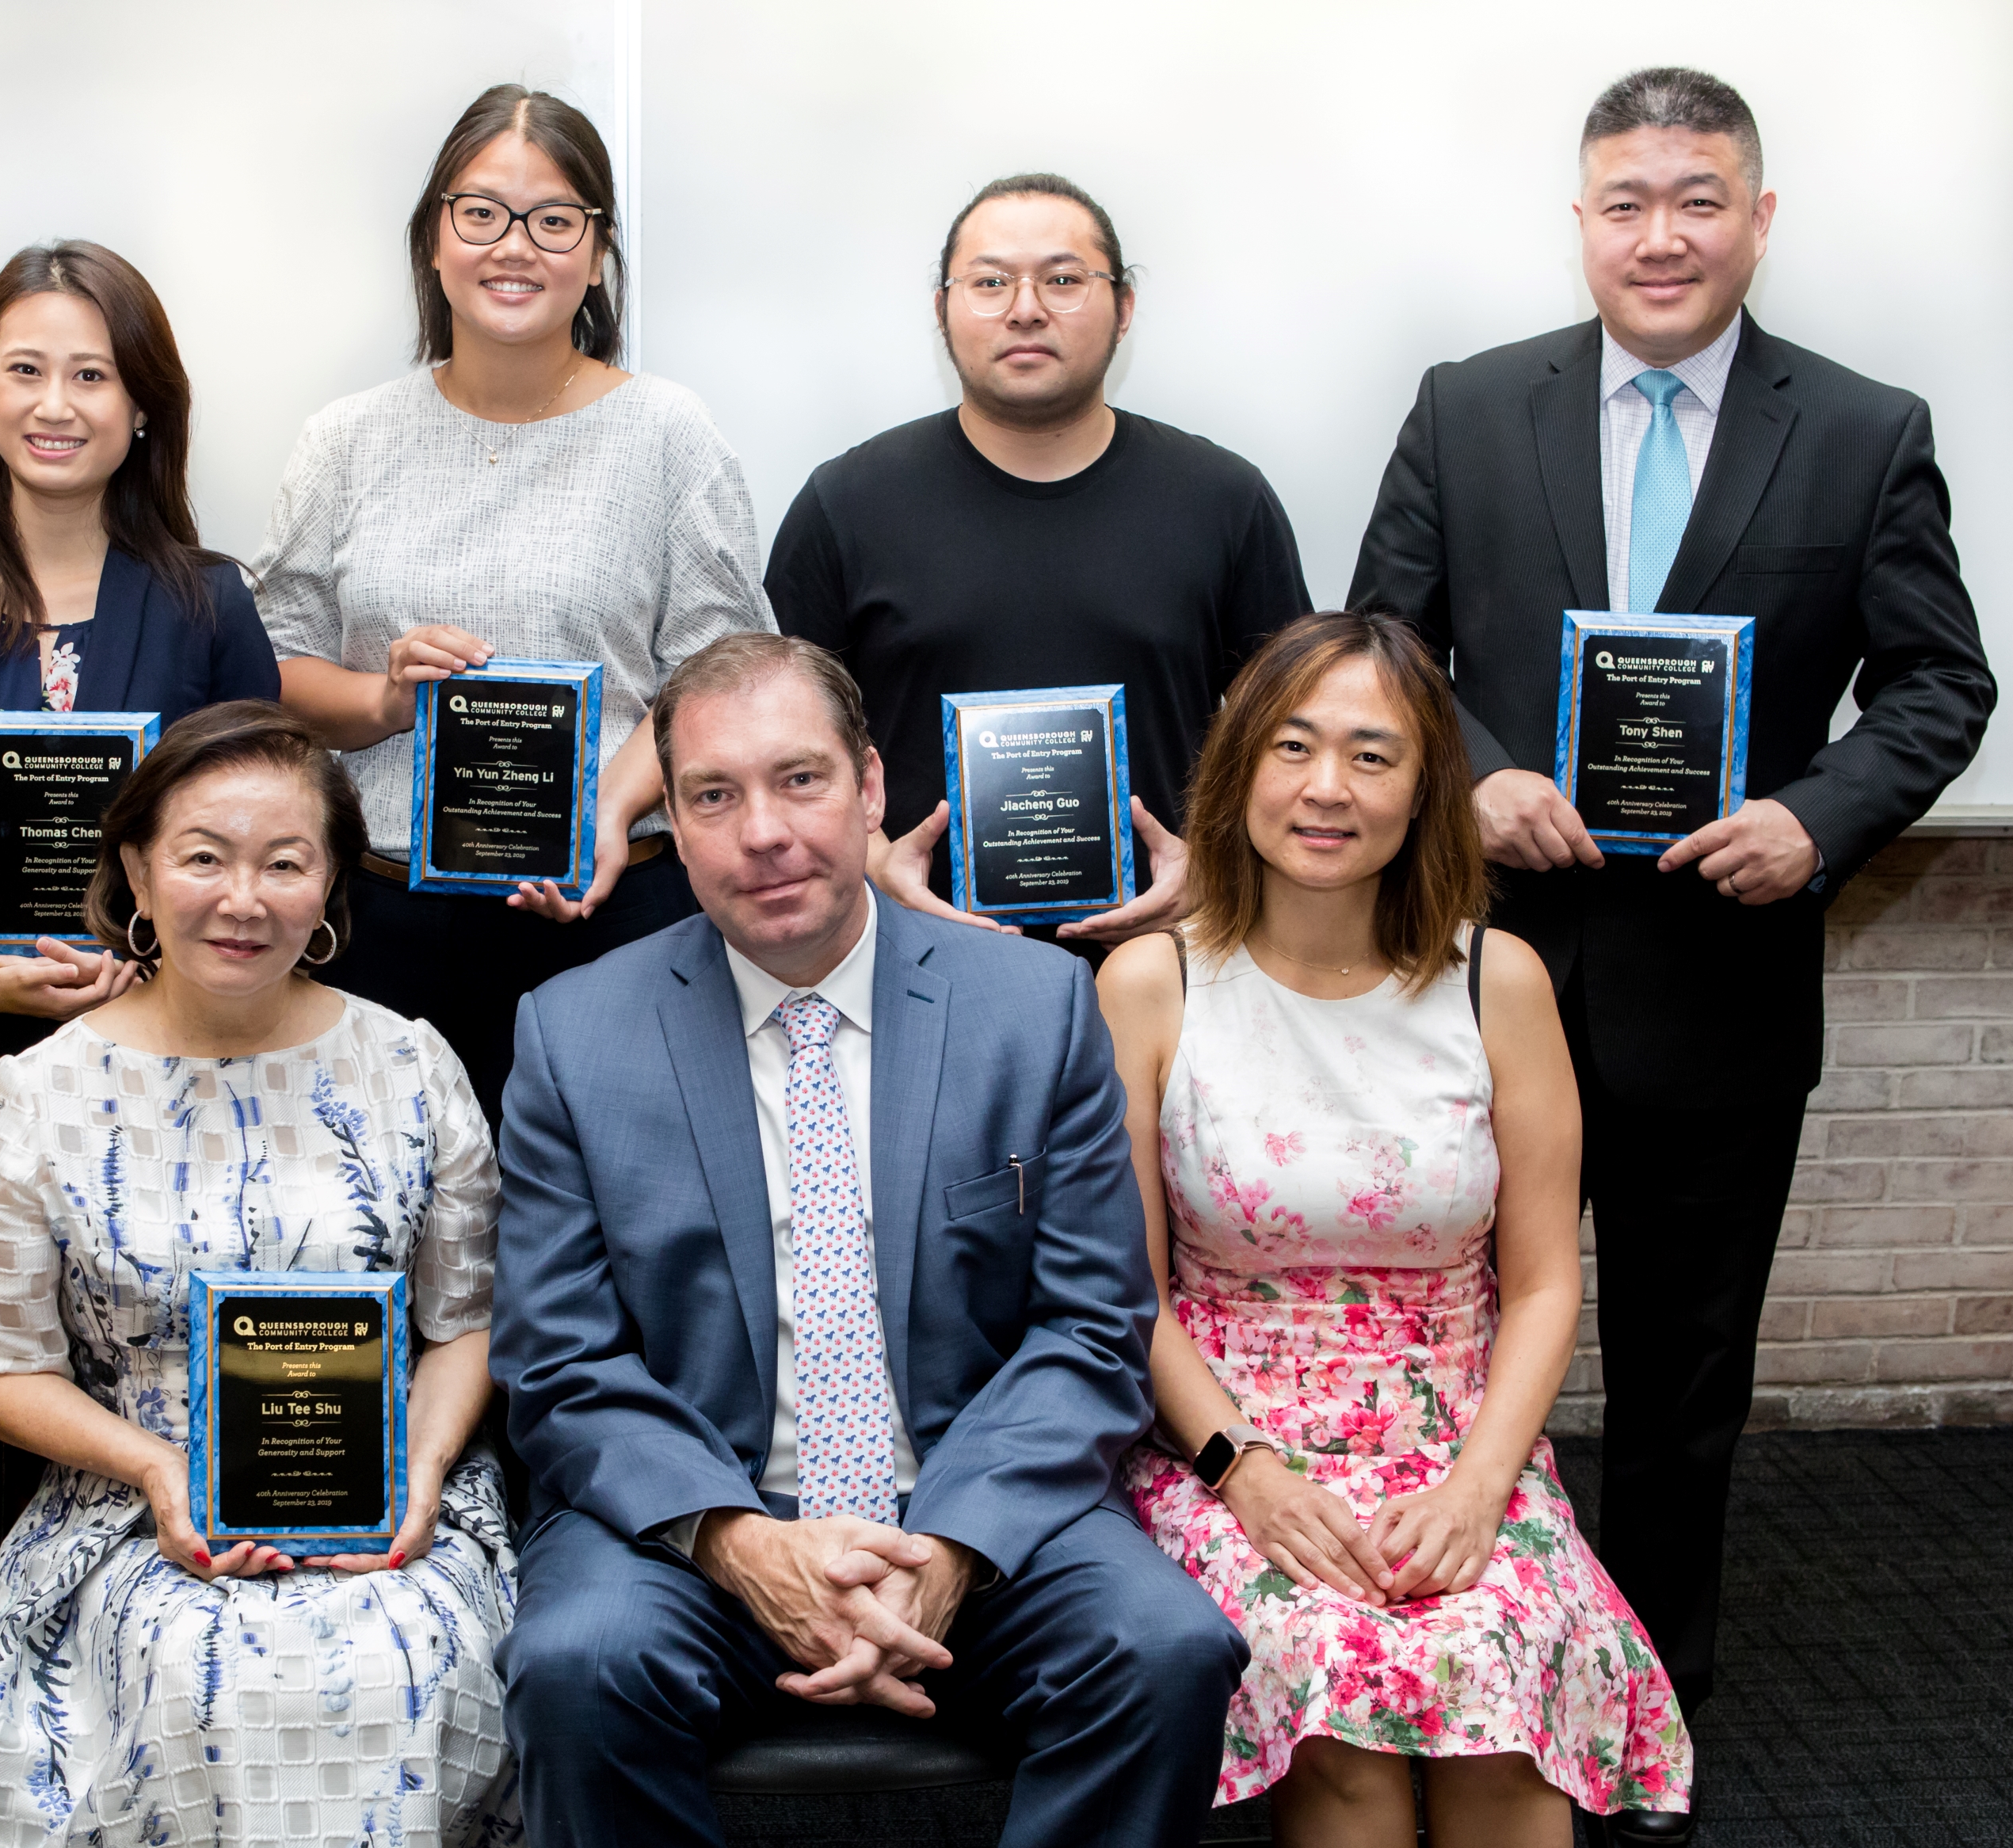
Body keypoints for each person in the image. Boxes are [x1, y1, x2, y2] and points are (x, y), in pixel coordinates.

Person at [1348, 70, 1992, 1835]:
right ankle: (1470, 1647)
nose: (1660, 233)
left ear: (1756, 218)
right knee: (1463, 1348)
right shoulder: (1470, 409)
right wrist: (1469, 777)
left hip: (1722, 979)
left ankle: (1652, 1692)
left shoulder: (1861, 428)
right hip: (1485, 984)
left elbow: (1941, 678)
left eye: (1696, 198)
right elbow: (1381, 649)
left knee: (1691, 1375)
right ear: (1581, 221)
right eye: (1625, 200)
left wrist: (1818, 810)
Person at [490, 632, 1246, 1847]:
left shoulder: (1034, 1008)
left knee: (1164, 1650)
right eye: (714, 797)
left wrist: (953, 1539)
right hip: (697, 1515)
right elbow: (559, 1360)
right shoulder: (574, 1036)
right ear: (669, 828)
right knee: (576, 1665)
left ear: (872, 788)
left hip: (980, 1495)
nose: (765, 833)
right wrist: (743, 1545)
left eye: (801, 780)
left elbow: (1094, 1325)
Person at [1100, 612, 1690, 1846]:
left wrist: (1482, 1486)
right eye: (1295, 746)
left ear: (1428, 790)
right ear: (1239, 766)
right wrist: (1243, 1473)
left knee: (1498, 1717)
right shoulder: (1151, 986)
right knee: (1343, 1713)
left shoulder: (1501, 982)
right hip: (1230, 1444)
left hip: (1462, 1446)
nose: (1327, 788)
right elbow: (1128, 1294)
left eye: (1373, 756)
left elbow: (1537, 1286)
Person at [0, 703, 518, 1846]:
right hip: (132, 1508)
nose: (244, 899)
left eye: (285, 863)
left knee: (404, 1661)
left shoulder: (410, 1064)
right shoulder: (37, 1094)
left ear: (332, 882)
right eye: (203, 858)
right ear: (137, 868)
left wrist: (419, 1478)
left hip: (392, 1508)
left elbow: (465, 1326)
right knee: (203, 1671)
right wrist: (157, 1470)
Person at [257, 82, 774, 1122]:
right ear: (435, 238)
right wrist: (383, 699)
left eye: (554, 220)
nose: (514, 246)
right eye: (482, 212)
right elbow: (268, 666)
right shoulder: (344, 441)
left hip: (610, 909)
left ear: (595, 250)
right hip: (380, 919)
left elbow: (719, 676)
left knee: (605, 1243)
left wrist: (611, 812)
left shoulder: (671, 435)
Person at [768, 172, 1309, 951]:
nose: (1025, 308)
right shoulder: (845, 504)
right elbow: (778, 736)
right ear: (941, 309)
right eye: (988, 282)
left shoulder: (1222, 499)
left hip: (1164, 958)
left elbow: (1291, 731)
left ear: (1123, 308)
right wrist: (872, 858)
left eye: (1062, 279)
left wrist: (1217, 864)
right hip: (914, 954)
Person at [0, 240, 279, 1077]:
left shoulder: (211, 606)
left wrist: (149, 951)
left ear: (141, 401)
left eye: (90, 376)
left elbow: (260, 829)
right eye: (26, 370)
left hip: (172, 1043)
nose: (54, 406)